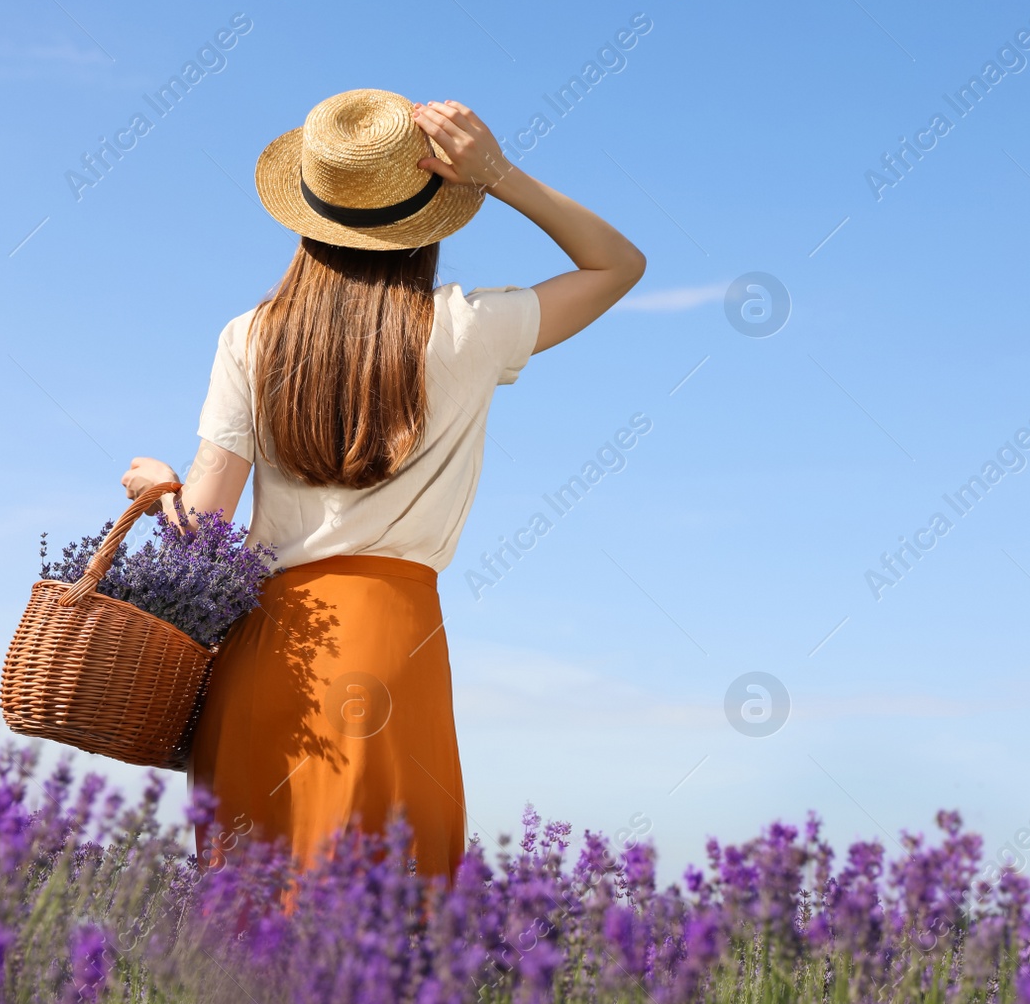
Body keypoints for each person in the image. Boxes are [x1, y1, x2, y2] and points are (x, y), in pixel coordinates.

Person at [120, 89, 645, 879]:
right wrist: (499, 173)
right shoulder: (469, 328)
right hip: (393, 648)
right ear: (429, 220)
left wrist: (159, 488)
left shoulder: (250, 338)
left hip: (265, 659)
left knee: (246, 948)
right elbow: (618, 264)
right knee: (388, 947)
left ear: (307, 212)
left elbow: (204, 529)